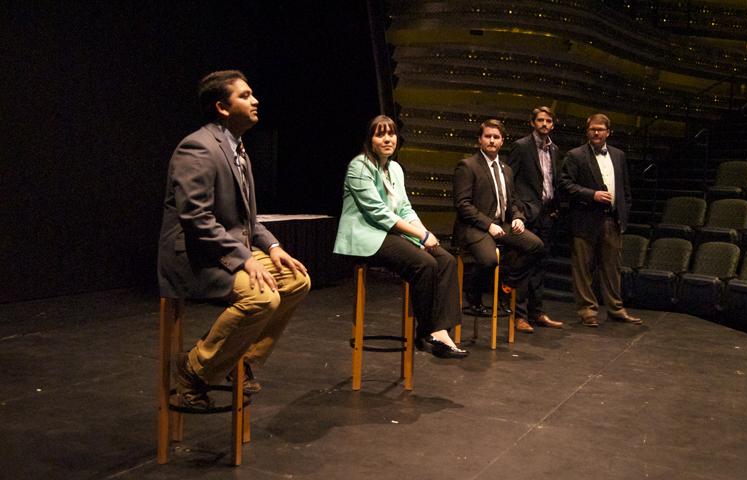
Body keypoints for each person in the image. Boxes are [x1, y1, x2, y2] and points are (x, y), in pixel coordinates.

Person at [157, 70, 311, 407]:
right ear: (222, 108)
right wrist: (244, 258)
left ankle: (239, 361)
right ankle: (193, 370)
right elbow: (196, 219)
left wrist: (273, 247)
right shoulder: (198, 147)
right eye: (245, 95)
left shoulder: (238, 150)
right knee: (262, 299)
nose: (255, 101)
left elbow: (247, 221)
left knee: (297, 280)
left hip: (222, 252)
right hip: (194, 257)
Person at [334, 115, 467, 359]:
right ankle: (427, 332)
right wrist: (420, 235)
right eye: (380, 134)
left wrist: (426, 235)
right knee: (424, 263)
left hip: (389, 233)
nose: (387, 139)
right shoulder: (359, 166)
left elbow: (405, 208)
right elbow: (378, 213)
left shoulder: (395, 168)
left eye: (391, 134)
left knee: (445, 259)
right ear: (370, 140)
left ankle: (441, 331)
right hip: (365, 235)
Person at [453, 119, 545, 334]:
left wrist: (519, 217)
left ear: (502, 141)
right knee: (489, 260)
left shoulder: (506, 169)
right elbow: (462, 205)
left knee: (536, 246)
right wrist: (488, 226)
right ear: (480, 140)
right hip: (474, 226)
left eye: (496, 137)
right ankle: (473, 294)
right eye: (488, 136)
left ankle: (507, 282)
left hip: (502, 224)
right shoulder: (467, 165)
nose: (492, 140)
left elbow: (513, 200)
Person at [558, 113, 641, 327]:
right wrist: (591, 194)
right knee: (583, 269)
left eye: (600, 129)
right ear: (587, 131)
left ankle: (615, 308)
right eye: (593, 129)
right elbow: (565, 185)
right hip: (584, 219)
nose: (596, 132)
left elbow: (625, 189)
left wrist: (624, 213)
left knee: (612, 268)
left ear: (608, 132)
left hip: (611, 220)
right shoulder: (575, 155)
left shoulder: (619, 155)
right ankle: (587, 311)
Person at [505, 107, 564, 331]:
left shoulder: (555, 150)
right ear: (532, 123)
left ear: (553, 125)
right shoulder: (521, 146)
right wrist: (518, 210)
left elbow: (552, 181)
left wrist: (555, 208)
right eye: (540, 120)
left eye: (548, 121)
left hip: (547, 214)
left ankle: (536, 312)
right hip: (527, 215)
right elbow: (510, 179)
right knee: (523, 264)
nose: (544, 124)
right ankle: (519, 316)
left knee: (540, 266)